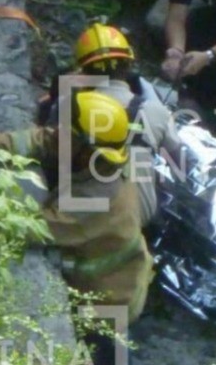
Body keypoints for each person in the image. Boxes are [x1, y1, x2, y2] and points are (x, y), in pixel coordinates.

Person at [0, 91, 154, 365]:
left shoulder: (92, 202)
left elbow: (29, 227)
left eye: (69, 133)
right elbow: (45, 140)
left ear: (84, 148)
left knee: (101, 362)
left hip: (109, 300)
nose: (59, 134)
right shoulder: (98, 155)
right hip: (118, 276)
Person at [39, 22, 183, 226]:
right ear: (129, 64)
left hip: (85, 214)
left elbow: (48, 153)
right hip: (139, 215)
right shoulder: (156, 111)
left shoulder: (69, 106)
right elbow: (179, 164)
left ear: (83, 71)